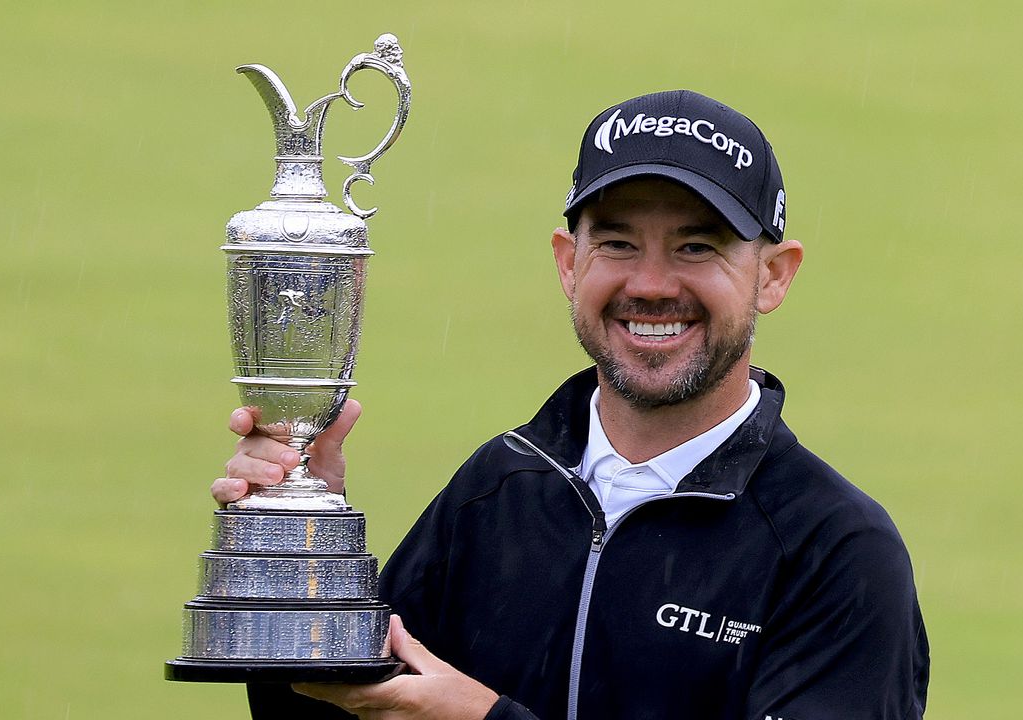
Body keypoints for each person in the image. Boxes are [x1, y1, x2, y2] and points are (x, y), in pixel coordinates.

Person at [215, 90, 931, 720]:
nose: (651, 283)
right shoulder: (495, 492)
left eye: (695, 247)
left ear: (772, 276)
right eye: (618, 243)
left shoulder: (835, 551)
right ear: (568, 262)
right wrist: (300, 552)